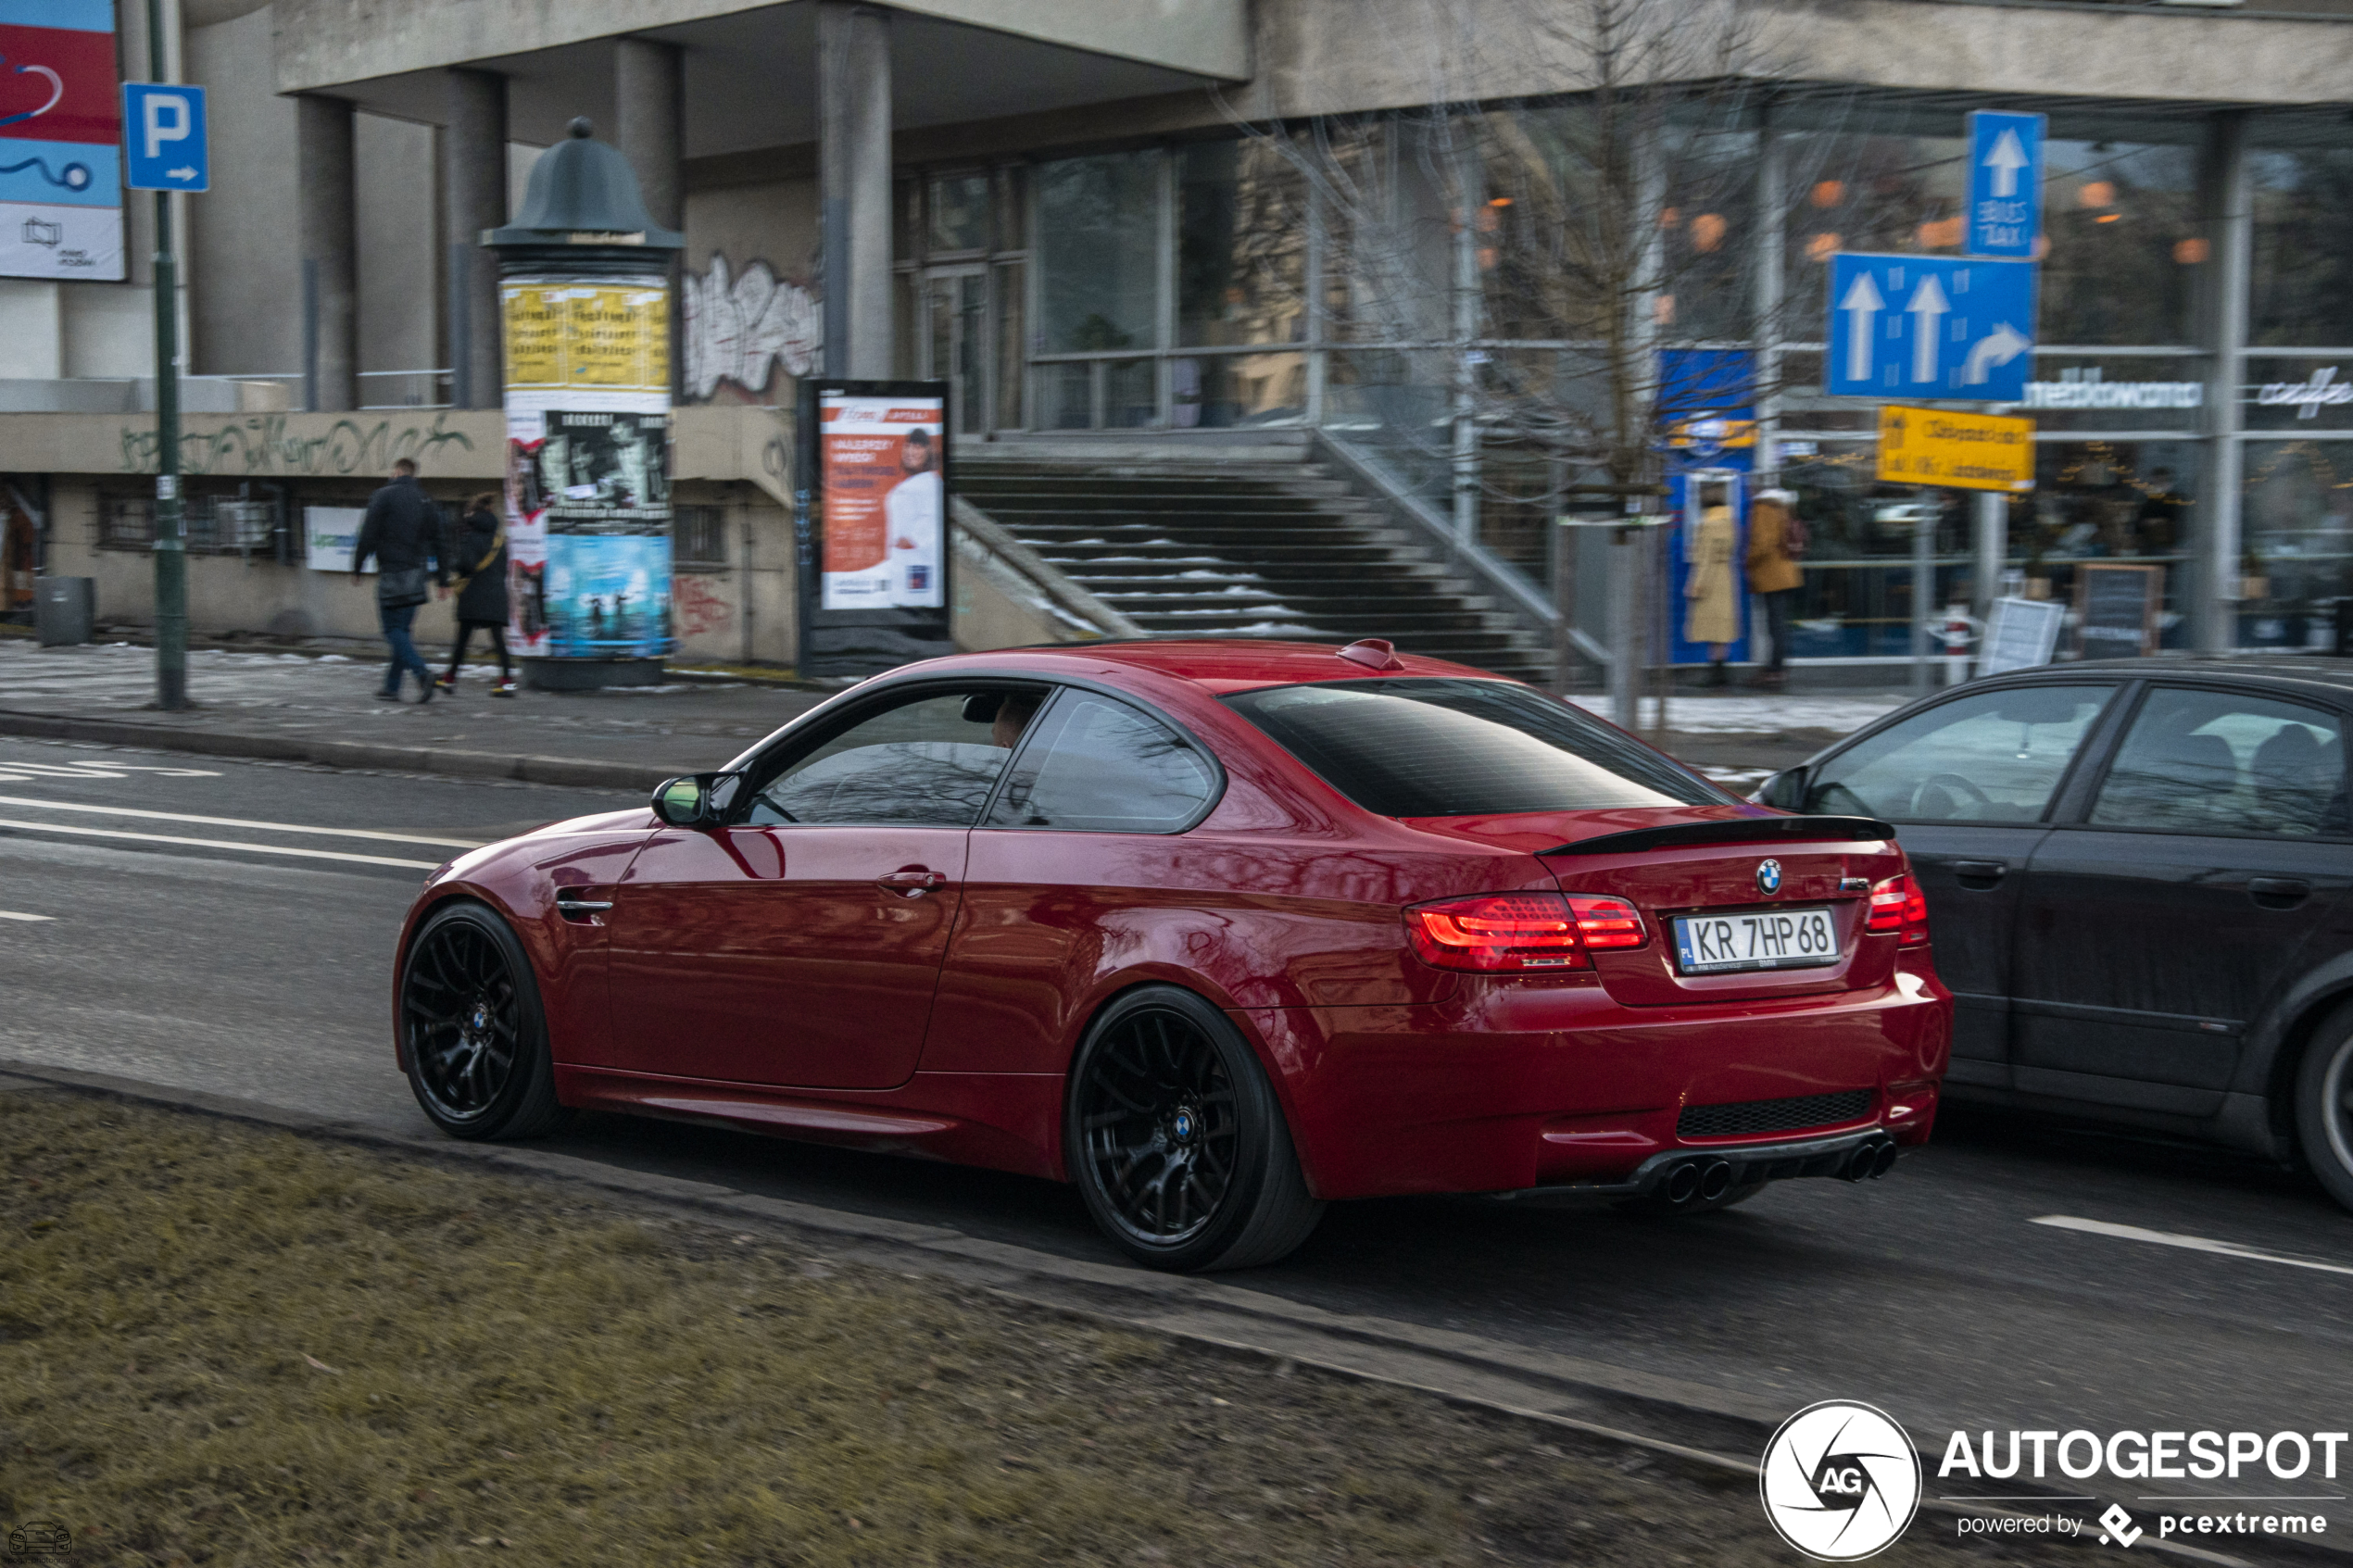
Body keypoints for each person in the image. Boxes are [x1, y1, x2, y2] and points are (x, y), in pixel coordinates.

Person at [352, 457, 442, 704]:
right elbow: (440, 541)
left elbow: (368, 533)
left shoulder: (383, 495)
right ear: (413, 474)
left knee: (392, 630)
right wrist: (443, 579)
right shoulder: (426, 500)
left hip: (392, 573)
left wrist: (357, 566)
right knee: (402, 631)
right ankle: (391, 688)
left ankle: (422, 673)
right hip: (417, 575)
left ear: (398, 471)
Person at [435, 492, 515, 697]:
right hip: (496, 595)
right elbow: (504, 569)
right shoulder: (499, 540)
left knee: (462, 640)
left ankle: (450, 679)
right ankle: (507, 683)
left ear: (474, 513)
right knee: (499, 642)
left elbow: (466, 565)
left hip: (473, 595)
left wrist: (456, 567)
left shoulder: (470, 537)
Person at [1746, 486, 1805, 690]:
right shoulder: (1783, 507)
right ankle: (1776, 668)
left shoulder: (1763, 509)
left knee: (1775, 625)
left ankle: (1775, 670)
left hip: (1772, 575)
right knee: (1778, 623)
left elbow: (1763, 543)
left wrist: (1748, 561)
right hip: (1786, 572)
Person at [1683, 482, 1740, 686]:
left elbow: (1705, 559)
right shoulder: (1729, 520)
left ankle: (1716, 675)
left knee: (1711, 628)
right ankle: (1721, 673)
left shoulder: (1708, 524)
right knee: (1721, 630)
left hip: (1711, 580)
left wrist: (1695, 585)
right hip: (1725, 576)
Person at [886, 427, 944, 600]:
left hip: (919, 566)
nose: (910, 451)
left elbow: (933, 518)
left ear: (929, 451)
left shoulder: (931, 483)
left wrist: (911, 540)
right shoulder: (916, 482)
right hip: (903, 567)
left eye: (918, 447)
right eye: (908, 446)